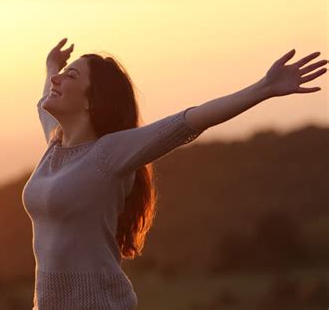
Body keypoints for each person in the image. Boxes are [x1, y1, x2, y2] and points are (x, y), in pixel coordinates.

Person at [22, 38, 327, 310]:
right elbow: (45, 98)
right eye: (59, 78)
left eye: (70, 76)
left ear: (91, 101)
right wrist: (52, 66)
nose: (57, 82)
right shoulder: (55, 143)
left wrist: (264, 88)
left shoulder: (108, 154)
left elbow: (187, 122)